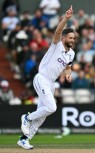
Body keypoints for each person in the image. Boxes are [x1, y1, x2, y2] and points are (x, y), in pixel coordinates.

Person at [17, 6, 75, 150]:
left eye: (74, 38)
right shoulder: (56, 45)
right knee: (52, 107)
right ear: (64, 38)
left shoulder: (71, 54)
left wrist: (68, 74)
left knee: (43, 115)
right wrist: (66, 18)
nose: (73, 40)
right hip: (41, 78)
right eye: (70, 37)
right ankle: (27, 118)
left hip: (51, 84)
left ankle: (24, 139)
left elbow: (68, 66)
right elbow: (58, 30)